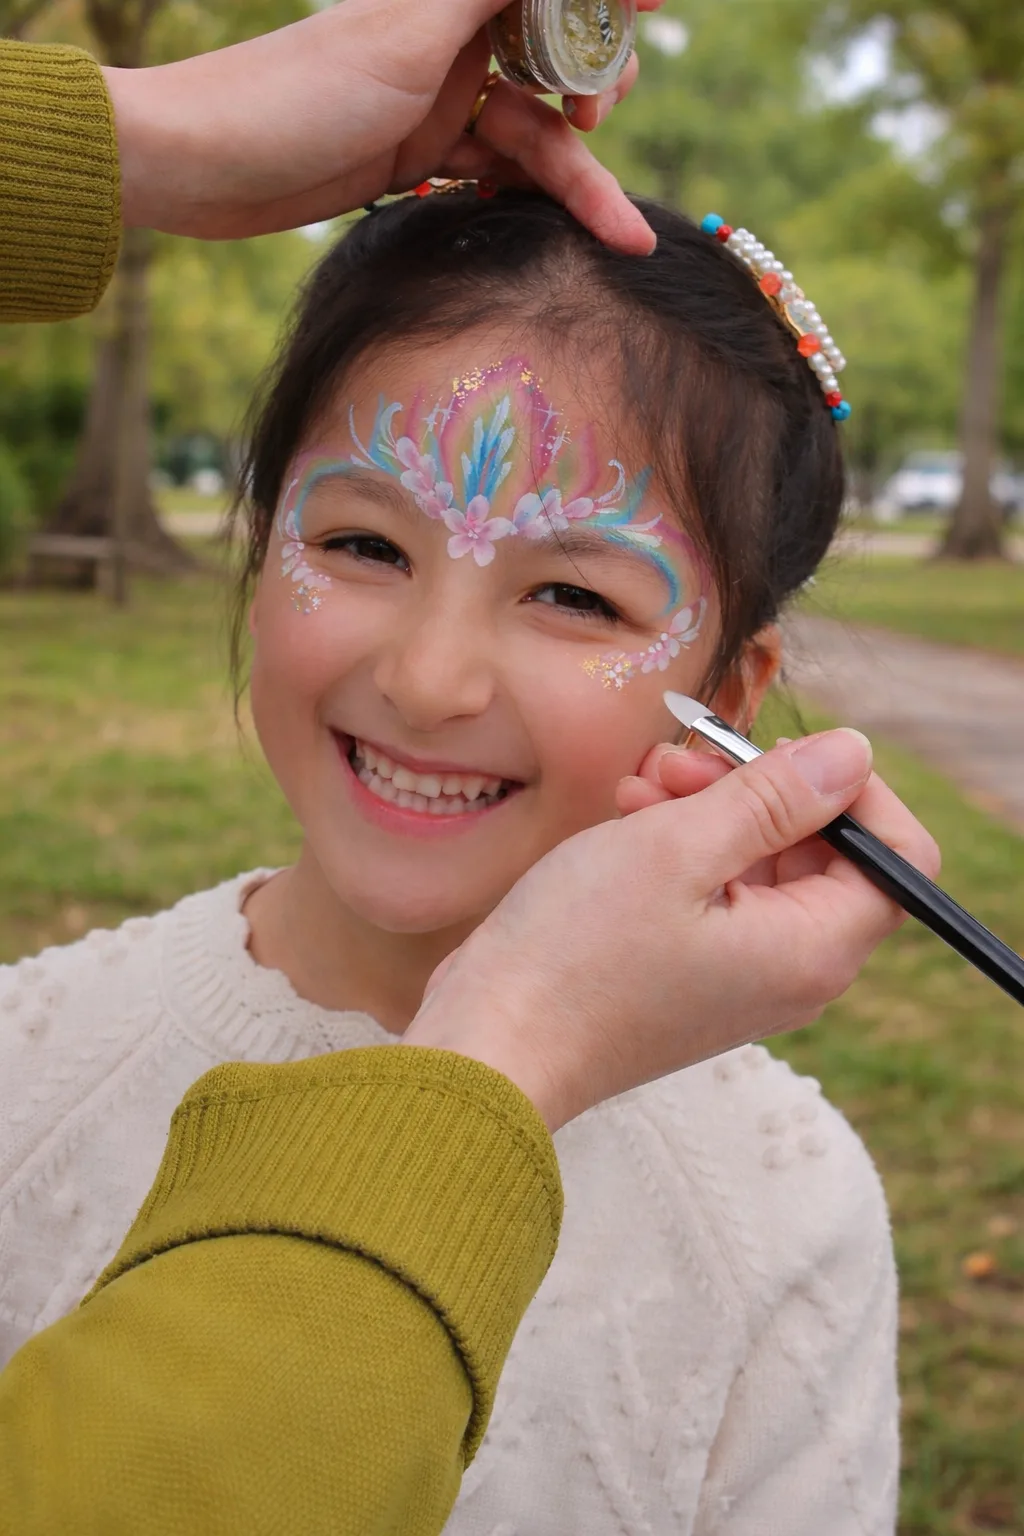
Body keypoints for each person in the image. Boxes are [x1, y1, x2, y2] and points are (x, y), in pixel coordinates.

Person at [0, 169, 943, 1536]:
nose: (429, 679)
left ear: (730, 701)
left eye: (573, 594)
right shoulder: (26, 1074)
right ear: (261, 554)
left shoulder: (780, 1209)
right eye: (362, 543)